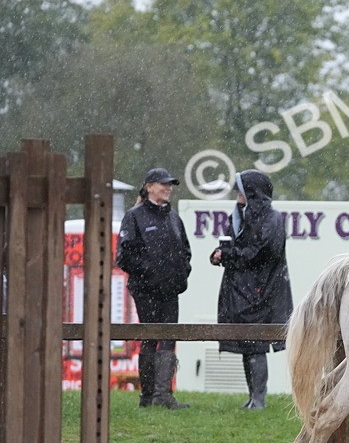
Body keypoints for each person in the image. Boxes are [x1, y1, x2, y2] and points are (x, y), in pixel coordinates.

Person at [209, 169, 293, 410]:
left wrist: (229, 254)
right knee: (248, 343)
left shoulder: (272, 219)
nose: (237, 193)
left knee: (256, 343)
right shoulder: (238, 217)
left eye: (242, 188)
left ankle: (259, 398)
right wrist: (219, 254)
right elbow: (236, 247)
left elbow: (261, 252)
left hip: (261, 291)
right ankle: (253, 397)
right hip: (240, 290)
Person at [117, 167, 192, 409]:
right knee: (150, 338)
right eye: (163, 184)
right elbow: (124, 256)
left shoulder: (173, 217)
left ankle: (164, 395)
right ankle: (147, 396)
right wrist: (152, 271)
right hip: (146, 289)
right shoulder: (134, 216)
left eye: (170, 184)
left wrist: (181, 275)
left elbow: (186, 252)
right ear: (149, 187)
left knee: (168, 337)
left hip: (170, 289)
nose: (168, 188)